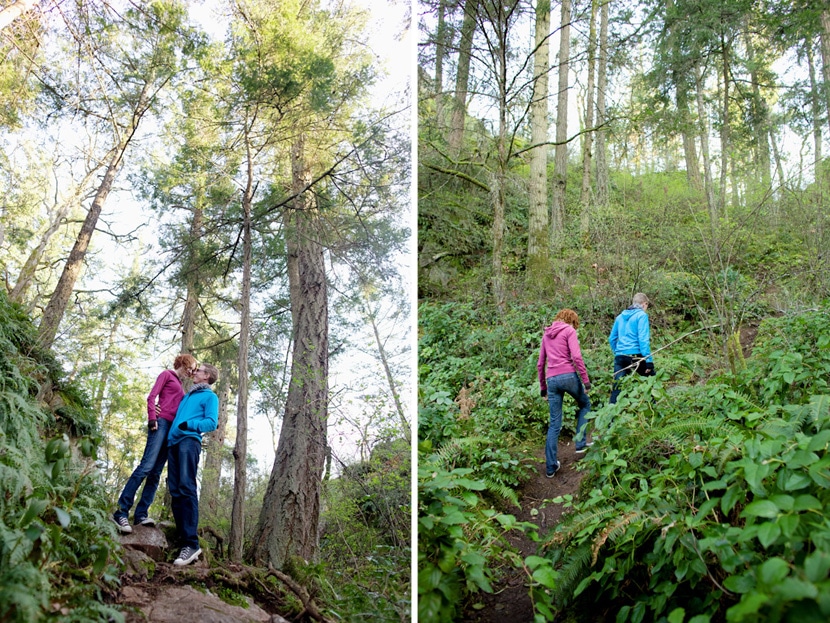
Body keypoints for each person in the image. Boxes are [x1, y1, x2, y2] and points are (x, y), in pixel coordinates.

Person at [113, 353, 197, 534]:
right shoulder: (166, 374)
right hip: (160, 425)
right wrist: (153, 418)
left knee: (156, 473)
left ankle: (141, 514)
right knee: (146, 466)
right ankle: (121, 512)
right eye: (189, 368)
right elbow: (152, 397)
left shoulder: (182, 387)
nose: (190, 373)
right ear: (183, 363)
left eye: (192, 371)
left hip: (172, 431)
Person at [167, 363, 219, 566]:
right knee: (175, 490)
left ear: (207, 376)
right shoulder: (187, 396)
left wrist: (188, 425)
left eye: (198, 370)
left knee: (187, 487)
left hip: (189, 441)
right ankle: (182, 541)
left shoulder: (210, 396)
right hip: (173, 443)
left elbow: (211, 423)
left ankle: (191, 543)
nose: (194, 372)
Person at [537, 309, 592, 478]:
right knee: (585, 404)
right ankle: (580, 443)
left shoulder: (547, 334)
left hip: (552, 379)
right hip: (568, 375)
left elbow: (540, 364)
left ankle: (551, 466)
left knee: (554, 423)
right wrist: (585, 380)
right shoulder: (569, 331)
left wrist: (543, 388)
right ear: (572, 321)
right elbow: (576, 356)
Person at [608, 292, 655, 404]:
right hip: (636, 356)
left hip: (620, 356)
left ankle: (610, 418)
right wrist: (648, 360)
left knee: (617, 388)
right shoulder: (641, 316)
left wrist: (617, 352)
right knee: (651, 382)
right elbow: (643, 340)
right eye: (647, 306)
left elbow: (611, 339)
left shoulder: (620, 317)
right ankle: (654, 410)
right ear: (644, 304)